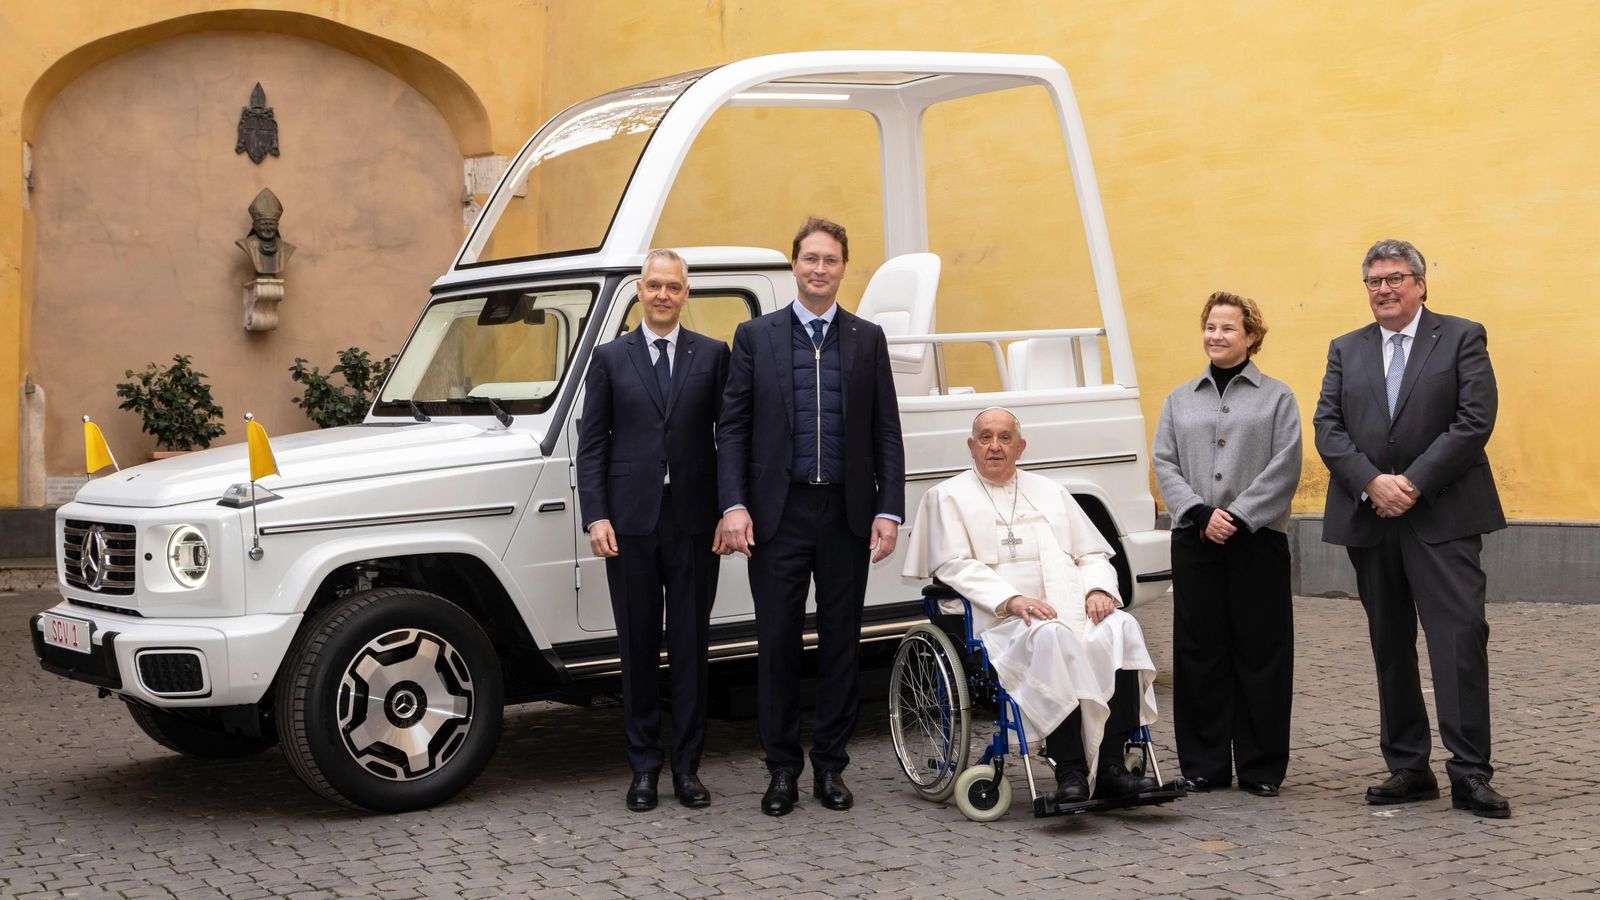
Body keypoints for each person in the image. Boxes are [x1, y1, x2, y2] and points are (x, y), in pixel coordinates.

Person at [715, 217, 906, 816]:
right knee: (775, 645)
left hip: (846, 515)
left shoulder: (867, 338)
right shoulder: (755, 337)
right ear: (794, 266)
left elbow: (886, 432)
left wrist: (889, 508)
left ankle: (830, 766)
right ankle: (781, 770)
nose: (819, 269)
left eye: (830, 260)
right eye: (810, 259)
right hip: (779, 516)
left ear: (843, 268)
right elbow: (734, 429)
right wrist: (734, 504)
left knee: (841, 644)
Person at [1313, 239, 1509, 818]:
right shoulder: (1345, 349)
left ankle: (1470, 771)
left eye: (1395, 278)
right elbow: (1328, 426)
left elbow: (1475, 419)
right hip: (1370, 518)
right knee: (1390, 645)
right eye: (1374, 281)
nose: (1384, 290)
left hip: (1443, 516)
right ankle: (1408, 766)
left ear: (1421, 284)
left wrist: (1413, 483)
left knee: (1460, 639)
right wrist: (1373, 483)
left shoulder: (1461, 336)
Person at [903, 407, 1160, 802]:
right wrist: (1011, 599)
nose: (994, 446)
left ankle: (1110, 766)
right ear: (971, 446)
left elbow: (1091, 553)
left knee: (1121, 628)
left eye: (1005, 438)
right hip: (999, 621)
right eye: (985, 438)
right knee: (1052, 637)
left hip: (1067, 606)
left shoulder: (1050, 492)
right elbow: (952, 564)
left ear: (1020, 447)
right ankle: (1070, 770)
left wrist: (1097, 590)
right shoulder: (947, 497)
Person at [576, 248, 731, 811]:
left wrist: (729, 508)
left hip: (694, 523)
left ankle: (687, 769)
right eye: (654, 285)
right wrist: (596, 515)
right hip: (630, 524)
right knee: (638, 649)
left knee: (691, 647)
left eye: (674, 286)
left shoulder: (713, 355)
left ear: (686, 294)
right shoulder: (610, 358)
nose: (663, 294)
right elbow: (591, 444)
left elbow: (729, 439)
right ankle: (643, 768)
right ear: (639, 291)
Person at [1152, 291, 1302, 797]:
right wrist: (1196, 512)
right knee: (1199, 653)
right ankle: (1203, 765)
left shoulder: (1277, 397)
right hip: (1194, 540)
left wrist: (1237, 516)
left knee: (1262, 653)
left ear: (1252, 336)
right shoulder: (1179, 398)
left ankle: (1261, 768)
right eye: (1210, 327)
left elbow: (1286, 465)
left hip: (1257, 541)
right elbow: (1164, 462)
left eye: (1228, 328)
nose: (1216, 336)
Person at [235, 187, 296, 276]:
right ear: (255, 227)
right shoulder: (246, 244)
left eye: (271, 224)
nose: (268, 228)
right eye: (263, 224)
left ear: (277, 226)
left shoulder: (287, 248)